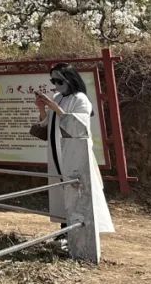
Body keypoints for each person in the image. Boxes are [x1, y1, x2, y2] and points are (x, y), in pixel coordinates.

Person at [33, 63, 114, 240]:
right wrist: (42, 108)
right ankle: (65, 228)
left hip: (75, 153)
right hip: (57, 151)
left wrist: (55, 108)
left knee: (76, 189)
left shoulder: (80, 99)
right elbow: (47, 125)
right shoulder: (58, 97)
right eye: (53, 80)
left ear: (70, 79)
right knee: (62, 189)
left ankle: (79, 231)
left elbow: (79, 128)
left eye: (59, 81)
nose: (56, 85)